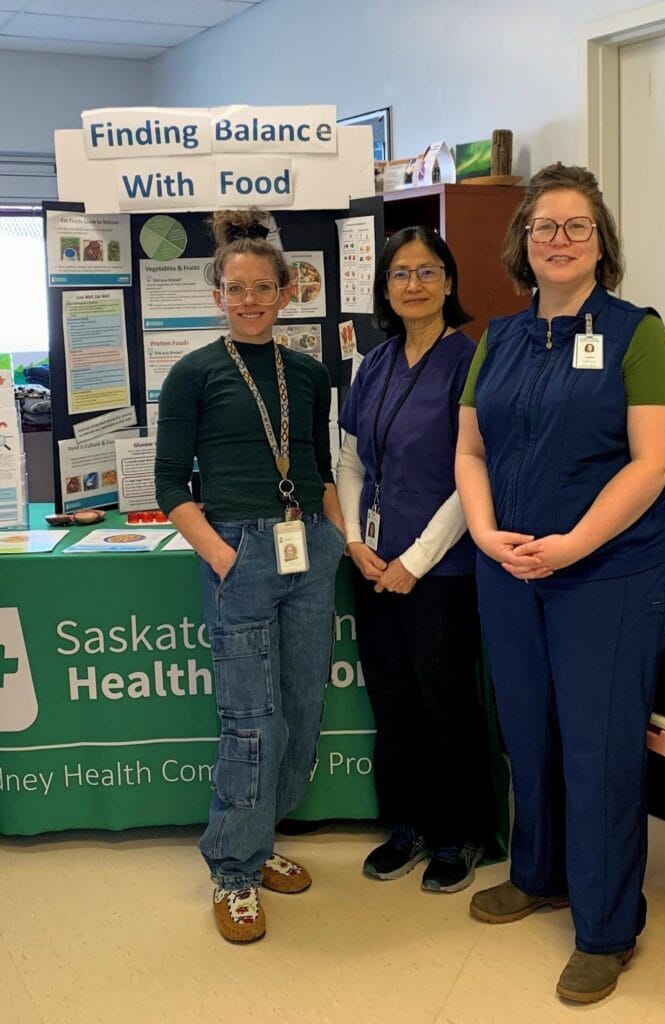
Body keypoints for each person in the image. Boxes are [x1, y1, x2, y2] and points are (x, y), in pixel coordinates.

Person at [455, 163, 665, 1002]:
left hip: (609, 573)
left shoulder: (637, 333)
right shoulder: (502, 340)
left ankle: (606, 927)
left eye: (576, 226)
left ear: (601, 244)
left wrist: (571, 545)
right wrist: (485, 534)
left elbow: (656, 460)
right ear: (522, 244)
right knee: (529, 731)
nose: (558, 239)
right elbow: (471, 451)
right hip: (509, 568)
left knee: (598, 746)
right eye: (544, 226)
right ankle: (539, 872)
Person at [154, 208, 346, 944]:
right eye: (236, 288)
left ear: (287, 291)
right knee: (250, 720)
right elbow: (172, 487)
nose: (250, 300)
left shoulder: (308, 372)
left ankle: (260, 843)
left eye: (263, 287)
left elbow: (320, 470)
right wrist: (228, 558)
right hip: (237, 551)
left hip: (308, 550)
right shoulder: (193, 374)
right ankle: (233, 871)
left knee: (300, 710)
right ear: (217, 294)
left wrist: (336, 539)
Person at [337, 226, 492, 893]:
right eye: (400, 274)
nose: (413, 285)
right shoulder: (373, 364)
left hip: (442, 572)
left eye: (427, 272)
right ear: (385, 288)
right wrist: (354, 541)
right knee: (393, 700)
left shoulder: (472, 361)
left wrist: (417, 561)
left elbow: (472, 474)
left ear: (450, 283)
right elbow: (349, 460)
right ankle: (407, 824)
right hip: (373, 565)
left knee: (445, 701)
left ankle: (460, 834)